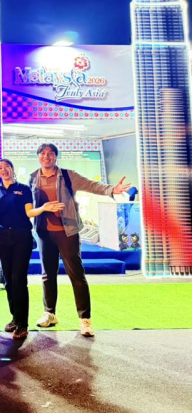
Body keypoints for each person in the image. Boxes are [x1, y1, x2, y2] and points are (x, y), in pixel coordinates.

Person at [30, 143, 130, 337]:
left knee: (76, 275)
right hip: (44, 233)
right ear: (38, 156)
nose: (46, 156)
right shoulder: (33, 177)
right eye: (43, 153)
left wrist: (112, 189)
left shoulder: (68, 175)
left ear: (56, 156)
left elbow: (91, 185)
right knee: (47, 275)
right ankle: (49, 313)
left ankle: (85, 320)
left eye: (50, 153)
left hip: (68, 232)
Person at [0, 159, 37, 340]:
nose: (3, 170)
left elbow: (29, 212)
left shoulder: (23, 189)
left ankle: (23, 324)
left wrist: (44, 209)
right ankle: (15, 318)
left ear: (12, 169)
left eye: (6, 166)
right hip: (3, 238)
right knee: (8, 281)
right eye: (0, 168)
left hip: (22, 237)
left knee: (18, 280)